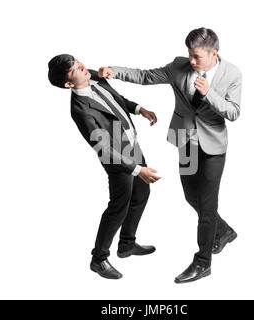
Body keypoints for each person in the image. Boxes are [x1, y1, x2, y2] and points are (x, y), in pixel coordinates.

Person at [99, 28, 242, 283]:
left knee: (207, 206)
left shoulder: (232, 73)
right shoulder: (179, 66)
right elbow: (145, 76)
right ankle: (224, 231)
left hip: (213, 148)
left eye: (197, 56)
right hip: (185, 141)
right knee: (191, 197)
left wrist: (209, 92)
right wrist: (115, 70)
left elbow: (233, 112)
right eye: (189, 55)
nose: (192, 61)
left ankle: (203, 262)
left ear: (214, 53)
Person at [48, 54, 160, 280]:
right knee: (118, 207)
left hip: (132, 145)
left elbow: (116, 99)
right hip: (117, 159)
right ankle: (98, 259)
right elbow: (105, 150)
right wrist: (138, 170)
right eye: (75, 70)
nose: (82, 67)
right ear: (69, 84)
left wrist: (139, 109)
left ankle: (127, 245)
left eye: (78, 62)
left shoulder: (92, 77)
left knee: (141, 193)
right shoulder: (81, 109)